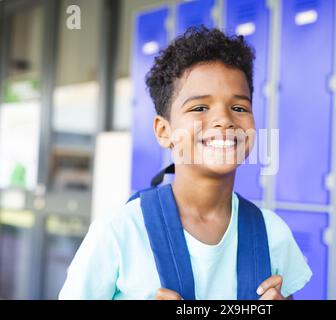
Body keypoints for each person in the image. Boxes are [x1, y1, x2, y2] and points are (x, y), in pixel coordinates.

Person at [59, 26, 312, 300]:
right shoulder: (119, 234)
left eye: (239, 108)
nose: (224, 120)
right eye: (200, 108)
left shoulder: (271, 234)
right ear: (164, 131)